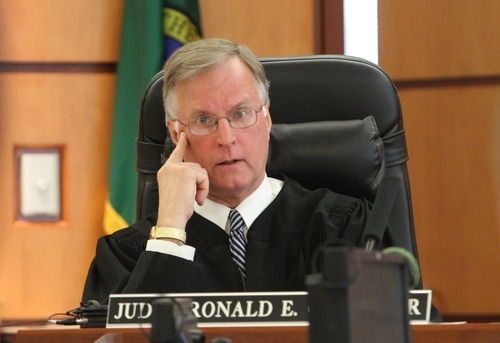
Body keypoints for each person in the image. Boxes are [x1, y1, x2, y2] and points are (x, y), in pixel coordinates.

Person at [82, 38, 389, 304]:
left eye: (241, 114)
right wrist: (171, 232)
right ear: (177, 135)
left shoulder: (345, 228)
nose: (226, 138)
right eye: (204, 120)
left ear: (267, 119)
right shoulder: (126, 255)